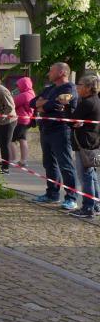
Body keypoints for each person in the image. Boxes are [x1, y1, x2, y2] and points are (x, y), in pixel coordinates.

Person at [30, 62, 79, 209]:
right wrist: (45, 104)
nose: (48, 73)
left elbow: (56, 106)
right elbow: (32, 102)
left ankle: (71, 198)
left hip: (61, 130)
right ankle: (52, 194)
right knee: (49, 163)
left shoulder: (69, 88)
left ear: (61, 72)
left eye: (51, 71)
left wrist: (43, 105)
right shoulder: (50, 88)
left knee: (65, 164)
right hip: (46, 129)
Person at [68, 75, 100, 218]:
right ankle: (96, 205)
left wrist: (66, 105)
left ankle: (88, 207)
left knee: (85, 176)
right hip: (92, 142)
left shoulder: (87, 102)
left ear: (88, 88)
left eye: (80, 85)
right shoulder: (96, 100)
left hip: (84, 143)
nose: (77, 87)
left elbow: (70, 121)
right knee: (91, 175)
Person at [11, 77, 35, 167]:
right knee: (22, 139)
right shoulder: (31, 93)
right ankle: (23, 160)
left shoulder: (24, 95)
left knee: (11, 139)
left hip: (21, 120)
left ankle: (13, 160)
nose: (18, 87)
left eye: (19, 85)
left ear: (23, 85)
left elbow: (13, 104)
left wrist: (12, 97)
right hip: (27, 119)